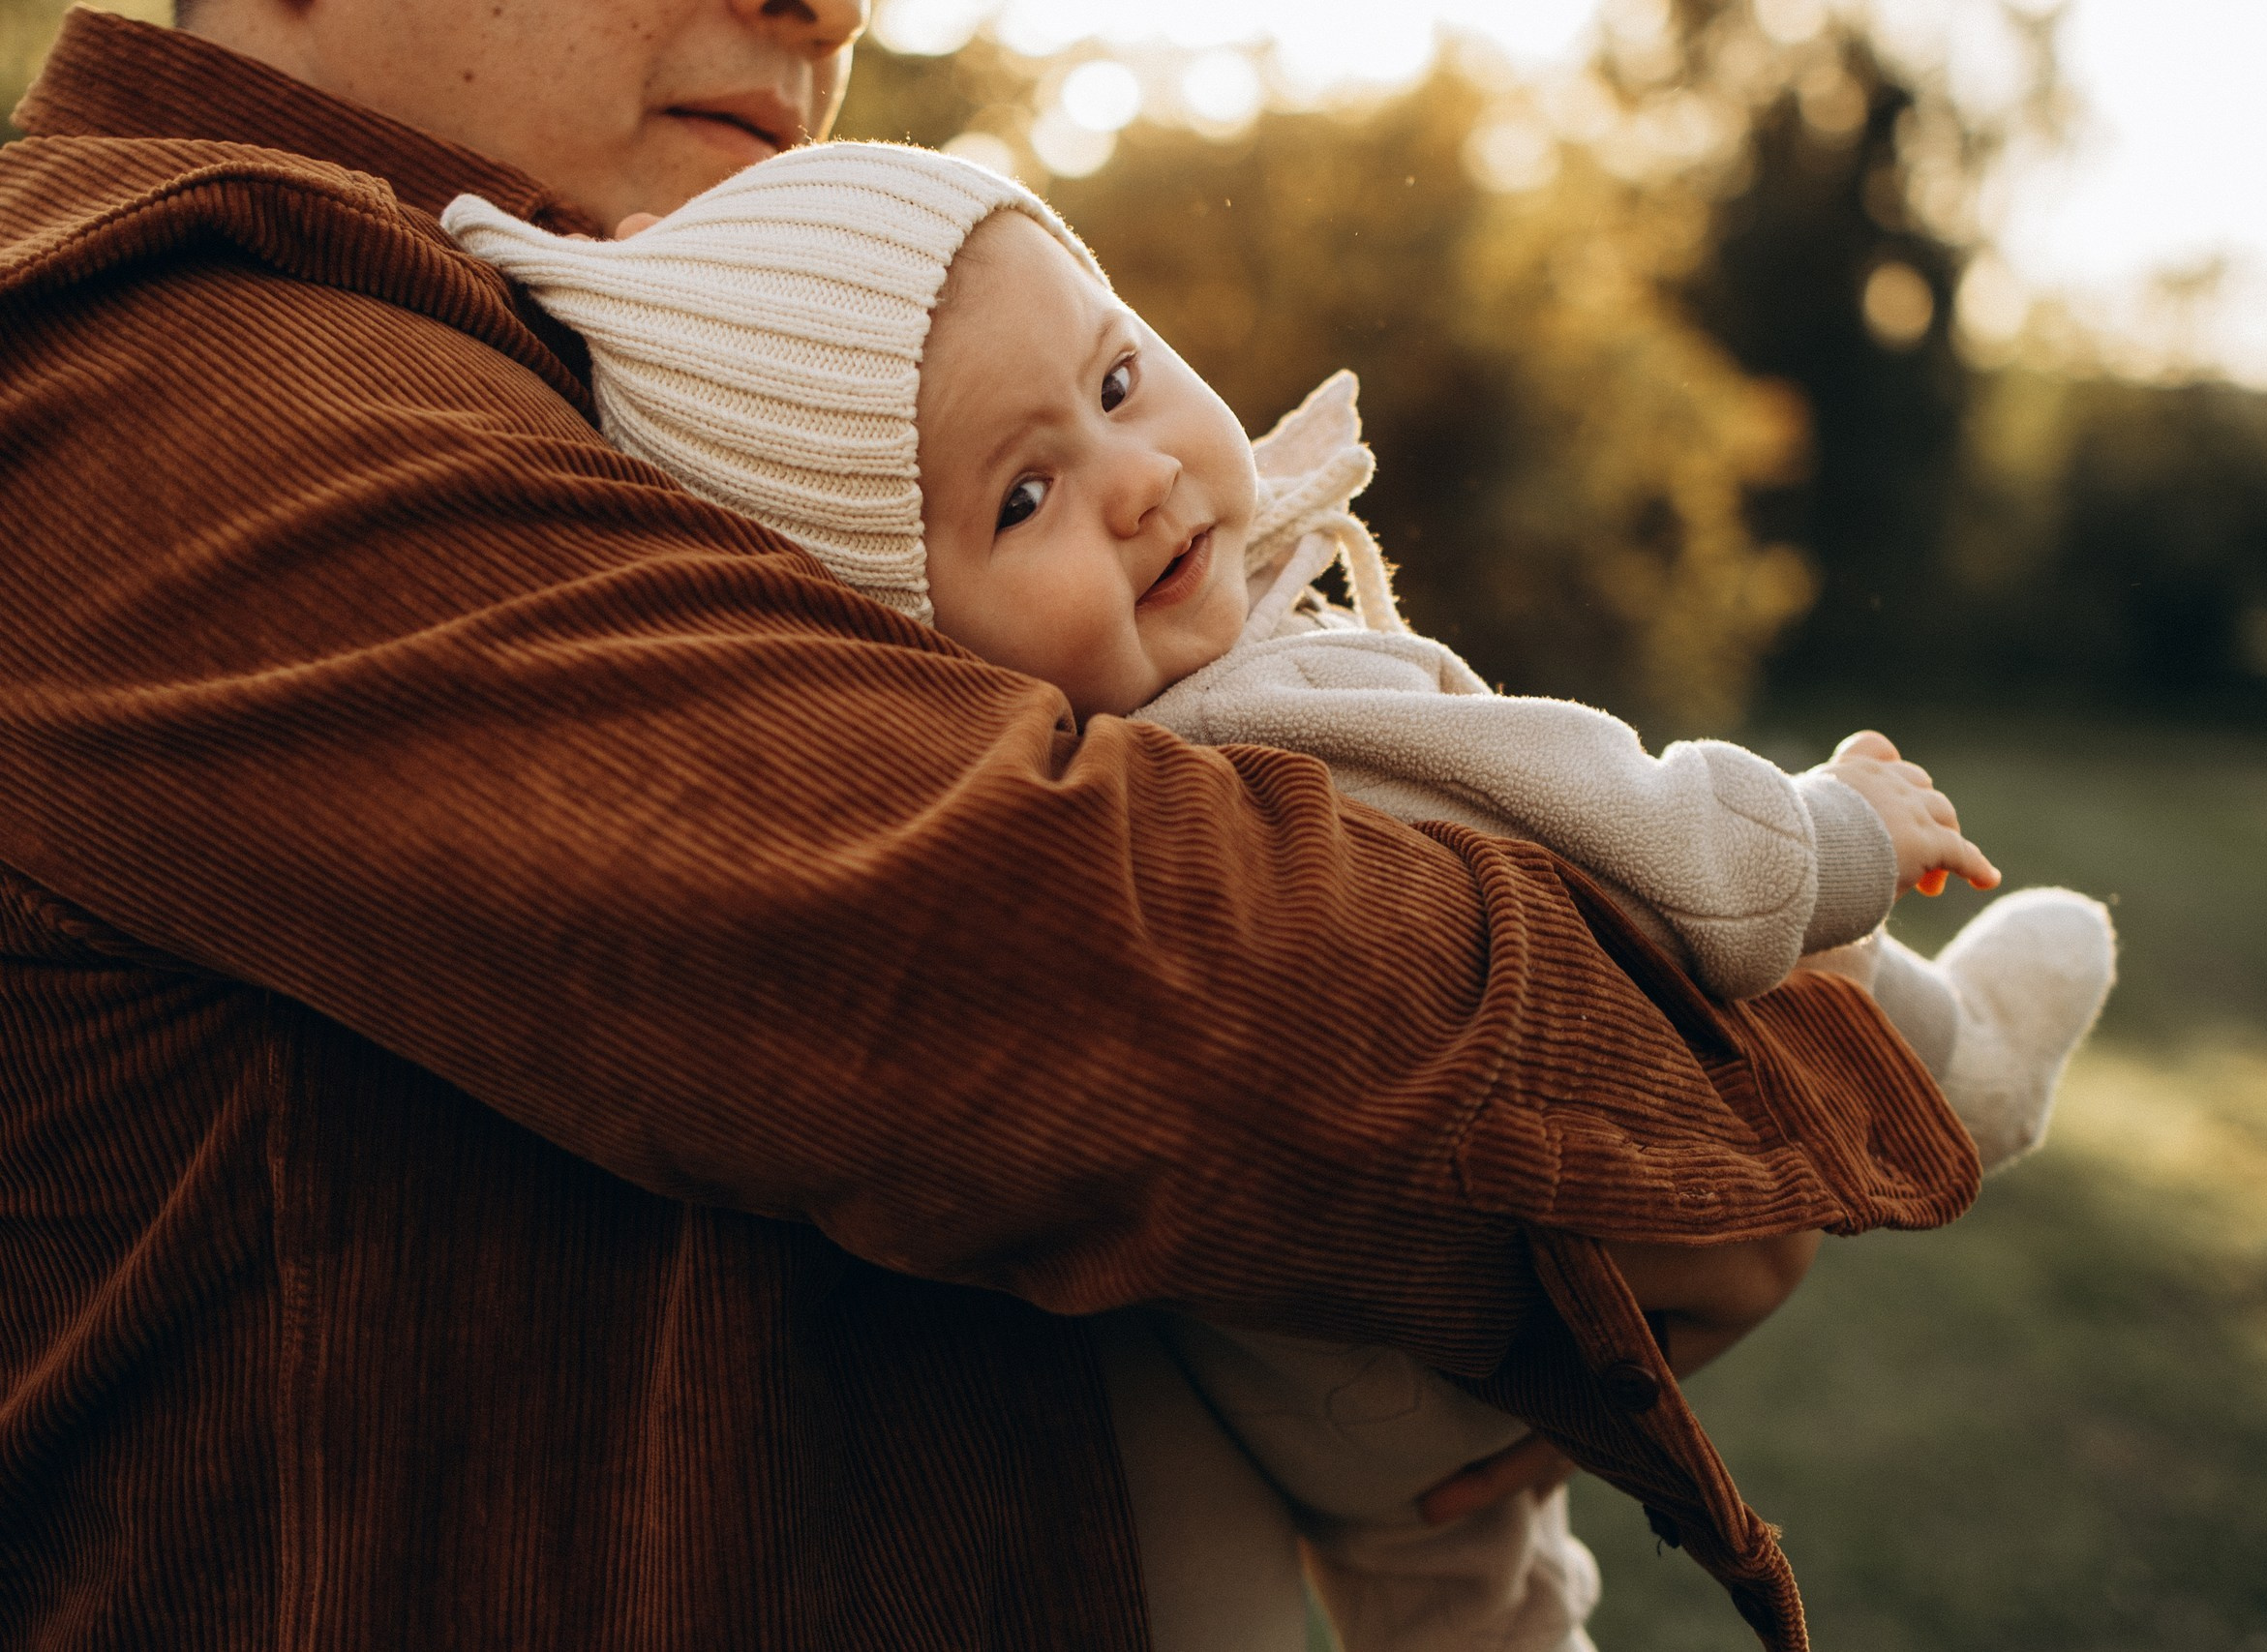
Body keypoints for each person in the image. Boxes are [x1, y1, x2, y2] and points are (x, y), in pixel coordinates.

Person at [0, 5, 1982, 1649]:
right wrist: (1720, 1068)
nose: (828, 8)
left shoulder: (552, 376)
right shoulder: (173, 378)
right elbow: (1140, 991)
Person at [446, 142, 2117, 1650]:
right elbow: (1627, 828)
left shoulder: (1132, 724)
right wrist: (1831, 835)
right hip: (1458, 1296)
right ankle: (1957, 1060)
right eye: (1020, 496)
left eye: (1116, 376)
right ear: (907, 633)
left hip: (1282, 1373)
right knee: (1786, 994)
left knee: (1452, 1601)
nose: (1135, 477)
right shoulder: (1249, 720)